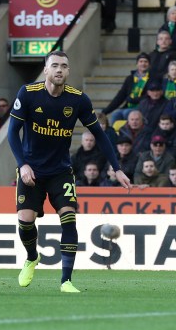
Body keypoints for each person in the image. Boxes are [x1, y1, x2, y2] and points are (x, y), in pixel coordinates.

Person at [8, 51, 132, 293]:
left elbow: (100, 135)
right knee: (25, 222)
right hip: (30, 170)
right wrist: (22, 164)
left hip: (61, 171)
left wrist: (117, 168)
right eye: (54, 65)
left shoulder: (78, 100)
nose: (59, 70)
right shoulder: (28, 94)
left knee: (68, 218)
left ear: (68, 71)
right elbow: (12, 133)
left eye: (64, 66)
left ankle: (66, 281)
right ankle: (32, 256)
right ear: (45, 69)